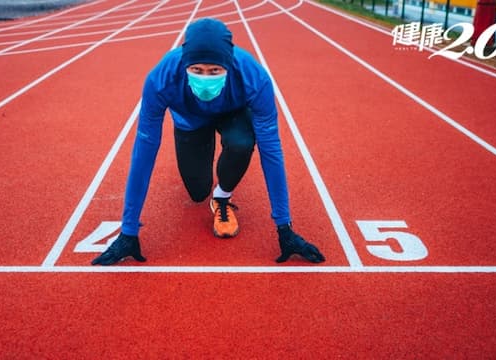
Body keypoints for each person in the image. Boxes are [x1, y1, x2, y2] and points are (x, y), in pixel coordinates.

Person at [92, 18, 325, 265]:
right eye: (197, 70)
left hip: (232, 114)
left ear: (229, 65)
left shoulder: (255, 77)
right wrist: (128, 232)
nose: (205, 78)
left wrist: (284, 229)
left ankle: (222, 196)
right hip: (190, 120)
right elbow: (144, 152)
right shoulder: (160, 80)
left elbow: (271, 150)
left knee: (241, 143)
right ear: (184, 65)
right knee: (197, 193)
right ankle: (205, 176)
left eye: (214, 71)